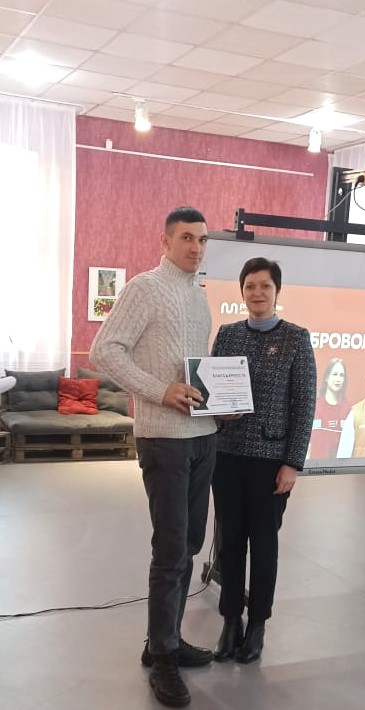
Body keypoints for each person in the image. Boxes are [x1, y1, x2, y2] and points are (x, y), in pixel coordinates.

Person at [90, 206, 217, 709]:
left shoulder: (200, 297)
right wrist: (159, 391)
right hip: (164, 439)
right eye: (186, 238)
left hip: (203, 435)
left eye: (202, 239)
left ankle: (164, 639)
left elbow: (196, 369)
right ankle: (163, 657)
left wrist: (219, 401)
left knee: (190, 544)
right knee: (170, 551)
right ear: (165, 241)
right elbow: (105, 350)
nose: (196, 247)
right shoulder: (144, 288)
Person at [211, 257, 316, 664]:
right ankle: (230, 620)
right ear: (242, 291)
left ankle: (257, 624)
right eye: (250, 286)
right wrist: (218, 412)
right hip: (227, 454)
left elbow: (304, 405)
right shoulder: (227, 335)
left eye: (265, 286)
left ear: (277, 292)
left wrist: (293, 463)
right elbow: (211, 391)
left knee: (264, 544)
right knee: (230, 542)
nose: (257, 293)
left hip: (271, 462)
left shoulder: (296, 338)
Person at [309, 358, 351, 460]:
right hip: (315, 466)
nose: (338, 379)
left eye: (341, 375)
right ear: (327, 377)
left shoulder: (348, 409)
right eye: (335, 374)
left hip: (339, 466)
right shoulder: (314, 406)